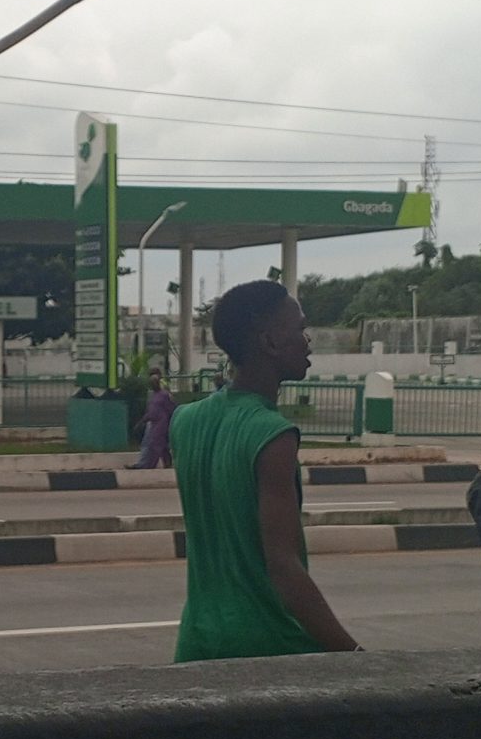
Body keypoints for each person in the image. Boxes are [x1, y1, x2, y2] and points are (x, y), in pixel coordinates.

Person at [169, 280, 358, 662]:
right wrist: (354, 654)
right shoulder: (273, 435)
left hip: (196, 644)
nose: (308, 341)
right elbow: (284, 567)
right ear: (270, 342)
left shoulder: (184, 420)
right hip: (268, 647)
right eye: (300, 329)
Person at [131, 368, 176, 470]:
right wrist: (143, 420)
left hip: (161, 423)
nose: (152, 385)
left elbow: (171, 408)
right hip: (154, 422)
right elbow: (151, 410)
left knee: (154, 444)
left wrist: (171, 420)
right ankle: (166, 464)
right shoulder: (154, 395)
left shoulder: (164, 394)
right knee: (161, 445)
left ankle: (147, 465)